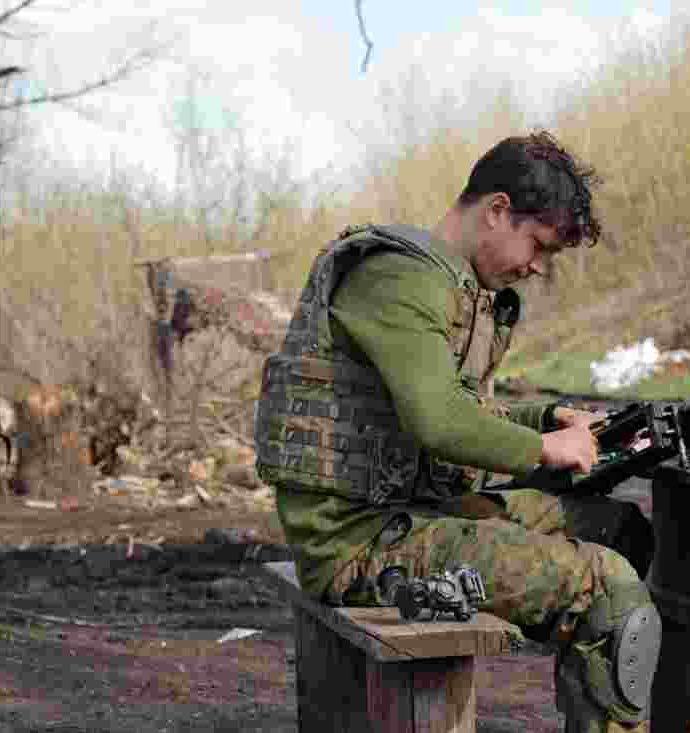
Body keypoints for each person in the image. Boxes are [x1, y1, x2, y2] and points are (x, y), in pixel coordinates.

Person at [254, 131, 657, 733]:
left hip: (413, 513)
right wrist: (546, 449)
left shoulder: (455, 288)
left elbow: (461, 413)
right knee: (605, 588)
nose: (537, 268)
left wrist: (548, 421)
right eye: (538, 245)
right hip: (358, 544)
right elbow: (439, 422)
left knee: (619, 529)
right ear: (497, 210)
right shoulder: (400, 278)